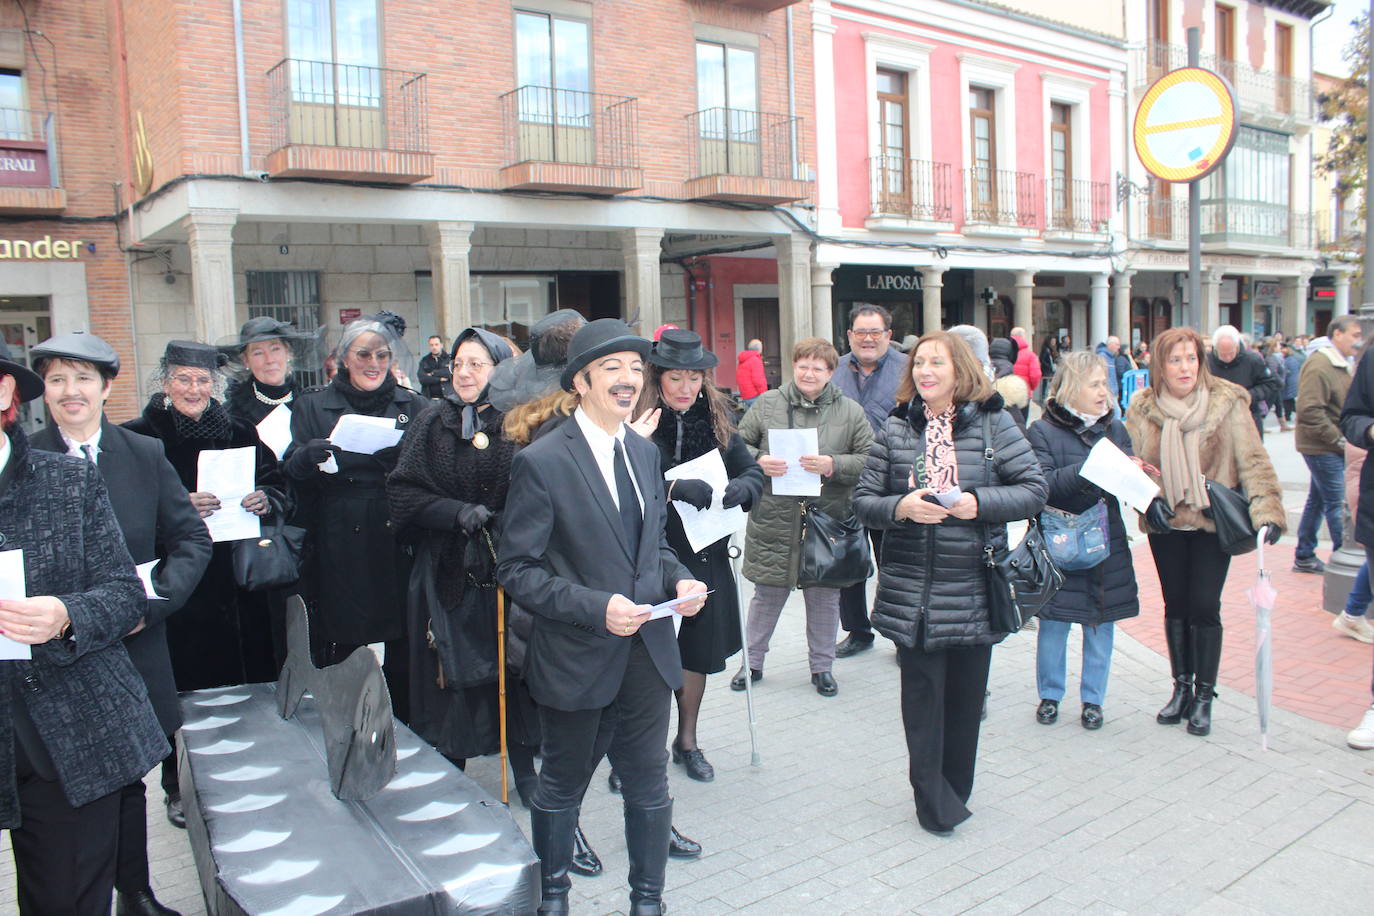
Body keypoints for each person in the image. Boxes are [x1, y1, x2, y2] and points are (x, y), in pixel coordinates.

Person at [496, 318, 709, 916]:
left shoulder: (644, 453)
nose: (629, 379)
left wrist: (679, 580)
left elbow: (654, 549)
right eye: (613, 368)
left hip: (648, 652)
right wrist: (598, 608)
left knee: (649, 785)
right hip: (576, 655)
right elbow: (517, 570)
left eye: (637, 369)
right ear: (581, 382)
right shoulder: (542, 462)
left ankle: (649, 902)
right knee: (562, 786)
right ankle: (553, 899)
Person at [29, 332, 212, 916]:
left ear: (107, 387)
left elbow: (189, 540)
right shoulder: (22, 460)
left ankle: (135, 891)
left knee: (131, 774)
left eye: (83, 379)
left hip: (135, 642)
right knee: (70, 787)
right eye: (58, 379)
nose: (71, 391)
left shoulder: (140, 454)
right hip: (57, 657)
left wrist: (151, 604)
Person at [852, 330, 1046, 836]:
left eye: (936, 363)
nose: (925, 372)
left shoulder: (994, 423)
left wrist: (978, 503)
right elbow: (863, 502)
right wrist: (901, 507)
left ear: (960, 369)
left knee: (963, 704)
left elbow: (1033, 490)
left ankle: (954, 791)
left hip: (974, 590)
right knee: (921, 704)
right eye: (919, 363)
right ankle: (932, 800)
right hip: (911, 593)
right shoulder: (896, 429)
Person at [0, 342, 170, 916]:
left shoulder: (67, 483)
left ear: (5, 392)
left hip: (64, 736)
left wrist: (67, 615)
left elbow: (123, 594)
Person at [124, 340, 284, 828]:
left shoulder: (239, 429)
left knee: (251, 681)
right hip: (182, 585)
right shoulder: (139, 438)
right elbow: (124, 517)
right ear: (164, 384)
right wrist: (177, 510)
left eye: (202, 381)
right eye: (182, 379)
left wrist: (266, 498)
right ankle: (181, 785)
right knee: (183, 689)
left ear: (214, 387)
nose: (193, 389)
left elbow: (278, 482)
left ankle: (256, 771)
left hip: (240, 580)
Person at [387, 327, 539, 779]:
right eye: (458, 364)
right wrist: (454, 512)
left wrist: (503, 518)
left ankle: (526, 768)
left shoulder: (521, 421)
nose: (464, 373)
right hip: (446, 569)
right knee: (449, 669)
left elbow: (539, 492)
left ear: (500, 370)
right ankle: (450, 769)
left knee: (512, 667)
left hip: (507, 568)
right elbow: (401, 492)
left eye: (477, 363)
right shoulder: (431, 421)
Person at [1126, 327, 1285, 737]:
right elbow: (1133, 467)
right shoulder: (1142, 407)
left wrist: (1267, 509)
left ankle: (1203, 695)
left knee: (1204, 605)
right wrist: (1146, 502)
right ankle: (1180, 688)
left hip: (1213, 521)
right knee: (1175, 605)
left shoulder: (1227, 402)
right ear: (1160, 364)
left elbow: (1253, 459)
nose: (1185, 367)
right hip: (1167, 523)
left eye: (1192, 358)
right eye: (1175, 359)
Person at [626, 329, 763, 782]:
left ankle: (687, 740)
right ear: (658, 377)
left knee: (694, 655)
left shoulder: (719, 421)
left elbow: (750, 469)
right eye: (676, 378)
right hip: (649, 555)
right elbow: (615, 480)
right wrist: (668, 488)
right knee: (645, 656)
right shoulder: (638, 420)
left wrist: (746, 486)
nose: (686, 388)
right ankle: (636, 753)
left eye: (694, 378)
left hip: (705, 556)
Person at [284, 313, 424, 721]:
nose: (374, 362)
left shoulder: (412, 404)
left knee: (402, 639)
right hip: (339, 535)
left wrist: (404, 463)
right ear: (344, 358)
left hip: (395, 531)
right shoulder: (312, 405)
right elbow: (290, 474)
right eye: (364, 353)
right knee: (343, 637)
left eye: (382, 354)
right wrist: (305, 458)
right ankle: (345, 721)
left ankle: (405, 725)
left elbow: (429, 471)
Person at [733, 337, 874, 697]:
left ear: (831, 372)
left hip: (827, 519)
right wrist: (758, 461)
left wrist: (834, 464)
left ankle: (822, 667)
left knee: (824, 598)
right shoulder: (767, 404)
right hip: (774, 518)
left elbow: (871, 460)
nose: (809, 373)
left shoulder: (850, 411)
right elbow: (736, 446)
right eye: (803, 366)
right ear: (793, 367)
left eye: (818, 367)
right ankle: (751, 662)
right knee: (767, 594)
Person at [1026, 351, 1139, 730]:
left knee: (1100, 622)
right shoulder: (1042, 431)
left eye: (1105, 383)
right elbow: (1044, 487)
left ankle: (1094, 700)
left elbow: (1125, 484)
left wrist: (1135, 475)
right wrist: (1094, 468)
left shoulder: (1116, 429)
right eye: (1095, 384)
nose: (1103, 392)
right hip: (1059, 540)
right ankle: (1050, 695)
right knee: (1055, 622)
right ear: (1073, 386)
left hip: (1106, 541)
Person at [832, 305, 904, 659]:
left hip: (892, 485)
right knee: (849, 562)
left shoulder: (907, 370)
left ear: (889, 335)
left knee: (894, 563)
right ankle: (858, 630)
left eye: (875, 332)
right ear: (849, 336)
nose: (868, 339)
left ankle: (900, 635)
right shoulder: (836, 370)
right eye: (861, 332)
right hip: (844, 482)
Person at [1293, 316, 1362, 575]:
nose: (1358, 341)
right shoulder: (1321, 364)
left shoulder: (1341, 364)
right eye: (1354, 335)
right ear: (1337, 334)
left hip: (1328, 444)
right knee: (1337, 502)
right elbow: (1310, 409)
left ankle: (1305, 554)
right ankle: (1343, 557)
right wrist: (1339, 439)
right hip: (1322, 445)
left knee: (1318, 500)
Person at [222, 317, 307, 429]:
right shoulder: (232, 413)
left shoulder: (308, 403)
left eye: (275, 349)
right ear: (246, 361)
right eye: (258, 353)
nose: (270, 360)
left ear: (287, 353)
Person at [1208, 324, 1278, 439]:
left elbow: (1270, 384)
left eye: (1231, 353)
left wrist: (1247, 395)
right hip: (1216, 420)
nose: (1227, 358)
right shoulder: (1206, 361)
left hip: (1248, 417)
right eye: (1222, 354)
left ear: (1237, 346)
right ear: (1215, 348)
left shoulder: (1253, 360)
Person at [417, 334, 452, 399]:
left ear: (441, 345)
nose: (434, 347)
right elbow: (422, 379)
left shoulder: (449, 359)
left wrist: (433, 373)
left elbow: (449, 373)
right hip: (429, 399)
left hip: (448, 398)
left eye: (436, 344)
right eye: (431, 345)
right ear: (429, 347)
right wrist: (439, 379)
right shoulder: (425, 360)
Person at [1009, 327, 1042, 394]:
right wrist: (1031, 387)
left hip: (1007, 391)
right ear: (1023, 336)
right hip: (1024, 391)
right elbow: (1035, 375)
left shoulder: (1005, 352)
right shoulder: (1031, 355)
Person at [1280, 340, 1304, 432]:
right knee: (1289, 399)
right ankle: (1289, 415)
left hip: (1289, 382)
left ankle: (1289, 414)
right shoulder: (1294, 359)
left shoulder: (1286, 361)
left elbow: (1285, 372)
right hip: (1295, 381)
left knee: (1287, 399)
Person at [737, 338, 768, 405]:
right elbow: (758, 380)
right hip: (755, 396)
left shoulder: (743, 360)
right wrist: (764, 394)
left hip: (746, 396)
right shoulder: (755, 360)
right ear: (760, 349)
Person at [1038, 335, 1059, 404]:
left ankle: (1049, 397)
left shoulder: (1052, 349)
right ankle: (1044, 398)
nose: (1054, 343)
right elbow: (1042, 360)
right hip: (1047, 370)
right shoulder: (1046, 349)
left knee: (1051, 385)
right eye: (1052, 341)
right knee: (1046, 384)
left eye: (1055, 341)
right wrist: (1049, 366)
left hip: (1051, 370)